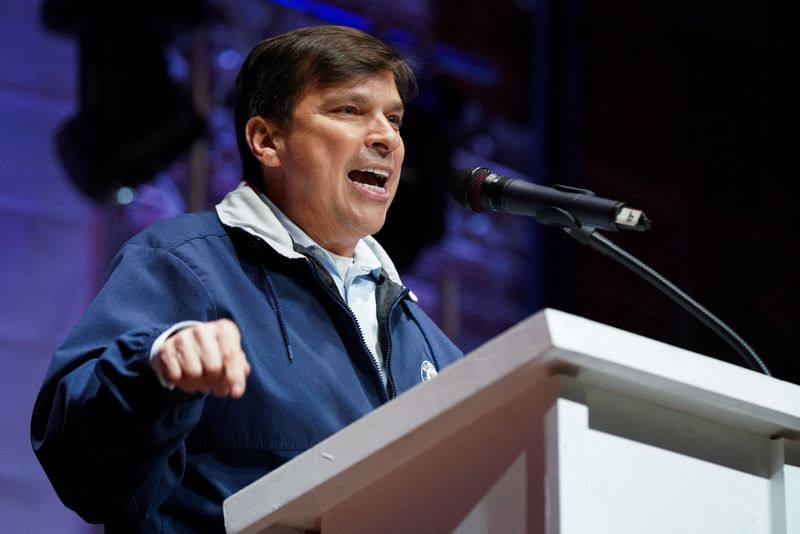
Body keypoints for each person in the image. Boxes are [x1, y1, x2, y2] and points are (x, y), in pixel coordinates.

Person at [31, 25, 462, 532]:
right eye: (349, 110)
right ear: (266, 140)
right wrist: (155, 371)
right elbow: (79, 468)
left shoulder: (432, 347)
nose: (387, 137)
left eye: (394, 119)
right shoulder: (184, 265)